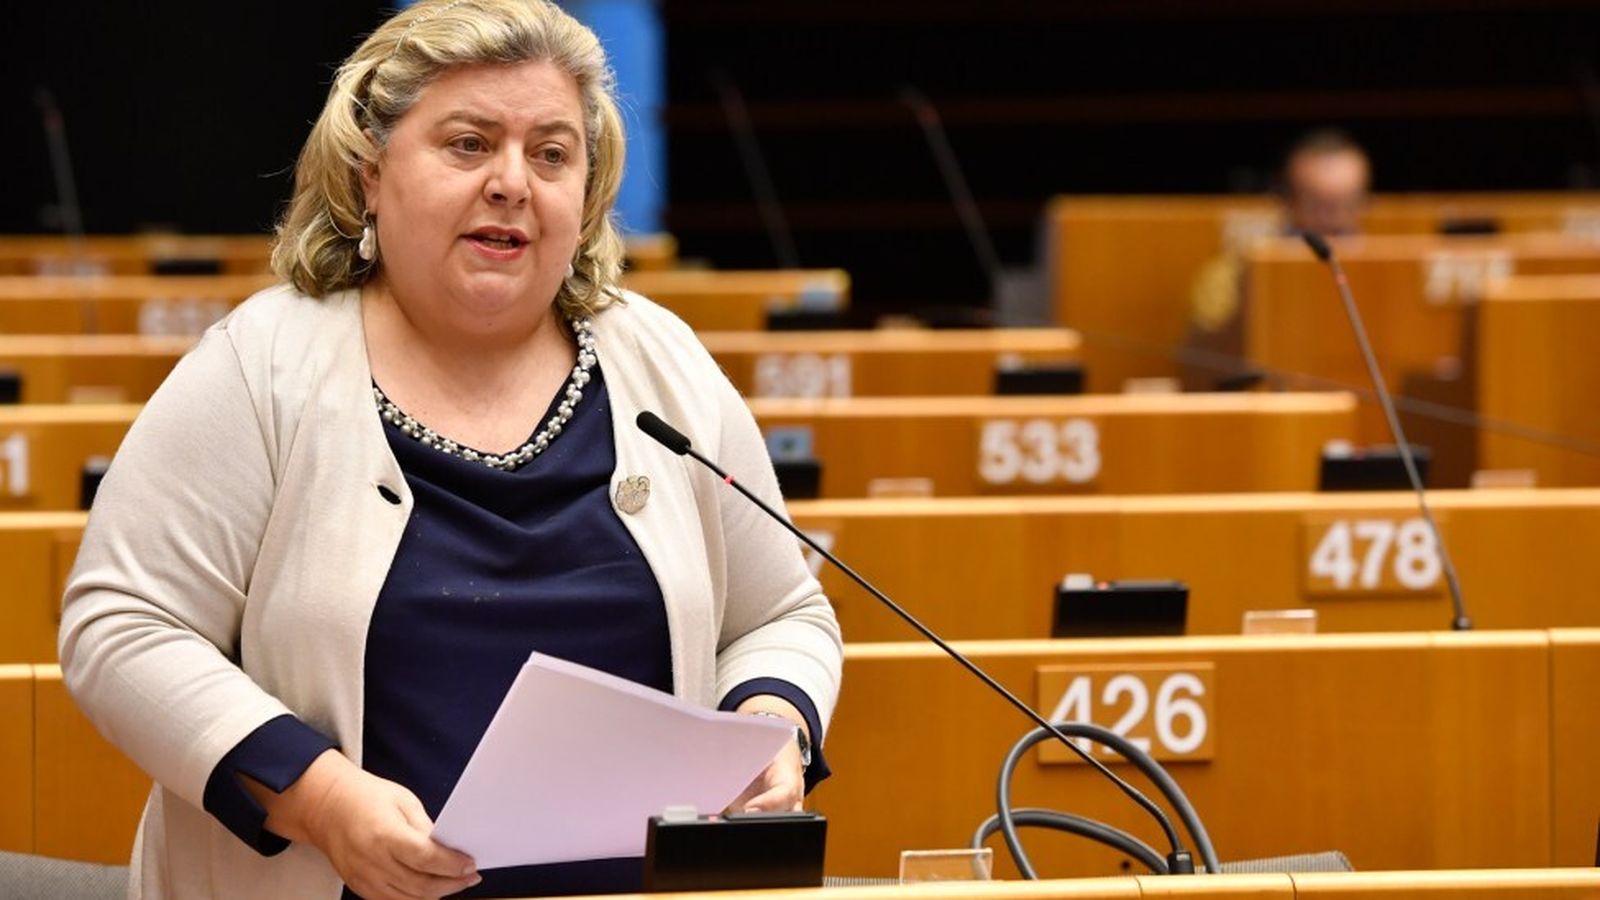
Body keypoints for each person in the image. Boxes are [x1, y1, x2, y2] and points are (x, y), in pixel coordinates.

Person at [57, 2, 842, 898]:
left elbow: (781, 615)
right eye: (469, 144)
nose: (513, 182)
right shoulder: (261, 367)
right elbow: (122, 630)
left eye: (551, 155)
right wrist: (320, 800)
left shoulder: (665, 364)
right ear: (367, 177)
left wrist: (773, 719)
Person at [1181, 129, 1372, 390]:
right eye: (1317, 204)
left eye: (1348, 204)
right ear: (1287, 201)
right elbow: (1204, 358)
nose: (1334, 220)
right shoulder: (1234, 270)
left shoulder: (1384, 276)